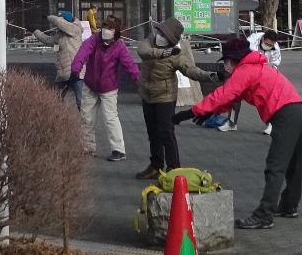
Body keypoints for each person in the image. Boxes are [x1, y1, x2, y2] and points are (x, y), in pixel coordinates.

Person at [176, 44, 302, 230]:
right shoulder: (255, 67)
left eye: (226, 62)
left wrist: (191, 112)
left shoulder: (244, 71)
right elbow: (232, 98)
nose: (225, 67)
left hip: (286, 115)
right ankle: (289, 205)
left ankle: (264, 215)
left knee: (275, 167)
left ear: (233, 61)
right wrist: (209, 112)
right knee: (293, 165)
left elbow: (224, 94)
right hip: (298, 111)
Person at [133, 17, 211, 179]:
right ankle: (155, 166)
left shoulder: (177, 54)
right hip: (147, 95)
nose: (159, 35)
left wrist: (210, 76)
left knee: (166, 132)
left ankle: (174, 169)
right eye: (160, 31)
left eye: (164, 34)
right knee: (152, 133)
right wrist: (163, 53)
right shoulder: (150, 41)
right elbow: (142, 51)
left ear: (171, 39)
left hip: (165, 97)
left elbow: (191, 70)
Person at [70, 16, 140, 161]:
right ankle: (87, 148)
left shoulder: (120, 46)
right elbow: (83, 52)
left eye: (110, 28)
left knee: (110, 118)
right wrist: (76, 69)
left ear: (116, 32)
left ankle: (119, 150)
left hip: (109, 88)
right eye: (105, 26)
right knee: (86, 117)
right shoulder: (94, 39)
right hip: (90, 85)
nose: (106, 30)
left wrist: (139, 81)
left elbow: (130, 65)